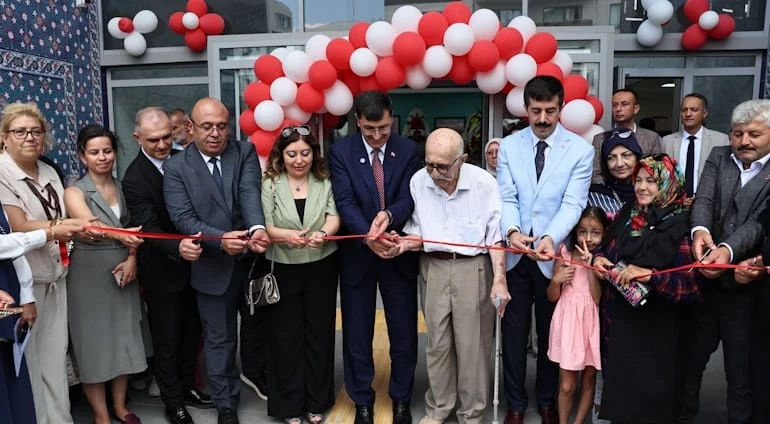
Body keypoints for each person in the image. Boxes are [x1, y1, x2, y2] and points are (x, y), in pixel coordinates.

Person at [388, 128, 510, 424]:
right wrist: (402, 244)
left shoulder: (483, 183)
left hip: (473, 267)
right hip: (433, 266)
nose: (434, 173)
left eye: (442, 166)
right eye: (429, 164)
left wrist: (499, 279)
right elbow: (419, 230)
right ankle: (438, 407)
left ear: (462, 160)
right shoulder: (419, 180)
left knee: (472, 346)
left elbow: (495, 235)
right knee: (437, 344)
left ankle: (471, 413)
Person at [163, 97, 270, 424]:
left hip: (251, 262)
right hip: (211, 266)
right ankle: (226, 404)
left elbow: (249, 191)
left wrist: (257, 227)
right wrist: (220, 240)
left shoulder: (244, 151)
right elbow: (183, 218)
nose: (215, 133)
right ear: (190, 128)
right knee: (220, 339)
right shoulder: (176, 167)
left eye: (222, 126)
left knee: (260, 331)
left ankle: (263, 379)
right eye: (207, 127)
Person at [497, 75, 594, 424]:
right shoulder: (509, 146)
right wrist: (511, 231)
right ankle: (516, 404)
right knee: (514, 335)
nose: (542, 119)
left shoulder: (580, 150)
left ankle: (547, 400)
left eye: (550, 111)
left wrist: (550, 237)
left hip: (555, 258)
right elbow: (506, 197)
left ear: (561, 108)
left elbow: (573, 202)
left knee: (553, 332)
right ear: (525, 109)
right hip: (516, 256)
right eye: (536, 111)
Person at [328, 91, 421, 424]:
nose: (378, 135)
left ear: (391, 118)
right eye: (370, 129)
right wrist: (369, 237)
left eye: (383, 127)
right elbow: (344, 201)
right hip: (359, 255)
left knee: (404, 332)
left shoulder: (408, 150)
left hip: (396, 251)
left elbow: (409, 197)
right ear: (358, 122)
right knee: (356, 331)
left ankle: (401, 398)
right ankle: (362, 400)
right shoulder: (341, 151)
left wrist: (388, 217)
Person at [0, 102, 95, 424]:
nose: (30, 138)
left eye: (36, 131)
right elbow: (17, 226)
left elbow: (59, 216)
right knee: (30, 363)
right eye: (20, 132)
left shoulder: (49, 170)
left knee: (56, 358)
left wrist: (78, 227)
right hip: (22, 284)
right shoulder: (2, 172)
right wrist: (61, 228)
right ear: (4, 137)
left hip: (56, 275)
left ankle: (60, 419)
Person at [678, 99, 770, 424]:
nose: (744, 141)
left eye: (754, 134)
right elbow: (703, 199)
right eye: (738, 133)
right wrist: (700, 232)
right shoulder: (719, 156)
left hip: (745, 288)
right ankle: (683, 415)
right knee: (690, 360)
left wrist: (727, 251)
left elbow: (759, 223)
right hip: (704, 282)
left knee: (739, 368)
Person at [592, 153, 700, 423]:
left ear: (668, 183)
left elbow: (691, 288)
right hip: (620, 328)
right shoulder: (628, 213)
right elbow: (606, 247)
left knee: (652, 410)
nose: (641, 187)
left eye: (651, 181)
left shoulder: (683, 224)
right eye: (638, 180)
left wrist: (651, 277)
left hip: (658, 338)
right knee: (621, 408)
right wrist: (599, 259)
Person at [122, 107, 211, 424]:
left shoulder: (185, 159)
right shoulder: (134, 178)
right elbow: (147, 227)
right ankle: (173, 402)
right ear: (137, 138)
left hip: (196, 265)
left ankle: (188, 388)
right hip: (162, 270)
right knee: (167, 338)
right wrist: (178, 247)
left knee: (192, 332)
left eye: (166, 137)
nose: (162, 145)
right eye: (153, 140)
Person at [64, 125, 148, 424]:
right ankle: (101, 414)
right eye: (94, 152)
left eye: (108, 151)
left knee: (123, 337)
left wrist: (132, 258)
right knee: (93, 343)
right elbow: (88, 225)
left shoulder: (124, 186)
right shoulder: (74, 191)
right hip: (88, 276)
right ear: (82, 157)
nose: (102, 157)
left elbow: (136, 232)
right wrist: (123, 236)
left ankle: (120, 406)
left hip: (124, 271)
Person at [261, 125, 340, 424]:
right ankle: (289, 406)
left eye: (305, 153)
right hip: (283, 265)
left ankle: (317, 402)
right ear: (281, 155)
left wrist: (323, 233)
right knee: (286, 336)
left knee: (319, 334)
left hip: (321, 265)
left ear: (314, 154)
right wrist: (287, 236)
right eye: (292, 154)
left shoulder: (324, 181)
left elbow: (334, 216)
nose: (299, 160)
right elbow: (267, 225)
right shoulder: (270, 184)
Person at [0, 203, 82, 424]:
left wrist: (26, 295)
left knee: (13, 373)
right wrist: (49, 233)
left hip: (9, 296)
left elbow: (15, 252)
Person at [547, 207, 607, 424]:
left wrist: (590, 267)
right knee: (566, 384)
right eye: (583, 232)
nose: (588, 238)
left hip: (591, 323)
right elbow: (552, 297)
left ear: (604, 234)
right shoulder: (564, 253)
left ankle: (578, 422)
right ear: (575, 231)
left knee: (589, 379)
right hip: (569, 323)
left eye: (595, 233)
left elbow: (597, 298)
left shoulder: (601, 260)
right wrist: (556, 280)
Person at [661, 93, 729, 196]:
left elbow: (724, 176)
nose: (688, 114)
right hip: (675, 200)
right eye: (684, 110)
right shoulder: (667, 141)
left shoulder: (721, 140)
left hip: (708, 200)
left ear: (705, 113)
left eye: (694, 110)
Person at [592, 88, 662, 184]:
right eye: (615, 105)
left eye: (624, 104)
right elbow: (596, 173)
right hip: (609, 191)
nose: (618, 109)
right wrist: (609, 191)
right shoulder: (600, 139)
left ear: (636, 108)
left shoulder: (651, 137)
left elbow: (658, 170)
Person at [588, 129, 643, 217]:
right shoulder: (595, 196)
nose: (619, 164)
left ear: (637, 158)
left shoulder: (650, 192)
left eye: (626, 155)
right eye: (611, 158)